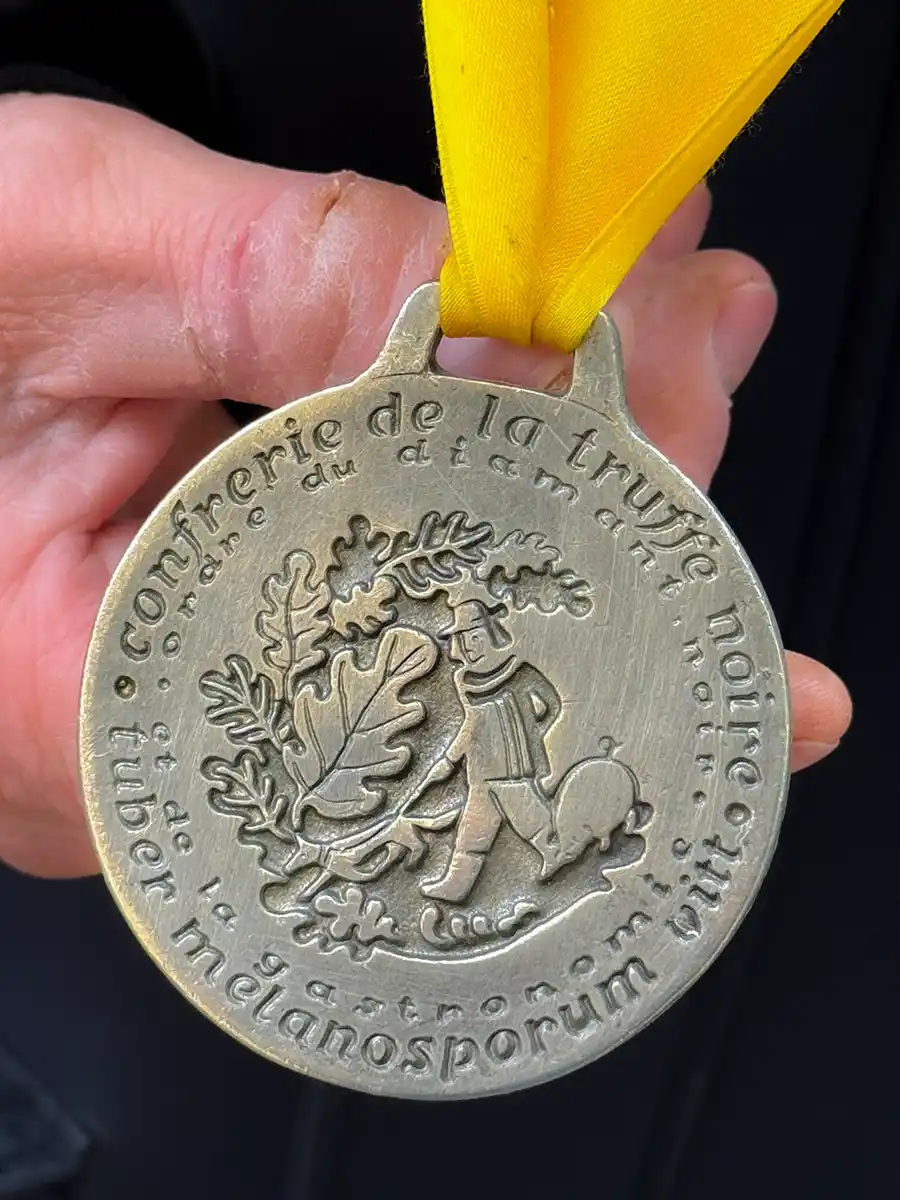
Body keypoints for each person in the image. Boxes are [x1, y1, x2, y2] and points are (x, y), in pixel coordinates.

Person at [1, 2, 893, 1199]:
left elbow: (485, 702)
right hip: (111, 1048)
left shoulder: (505, 670)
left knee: (503, 816)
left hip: (836, 1019)